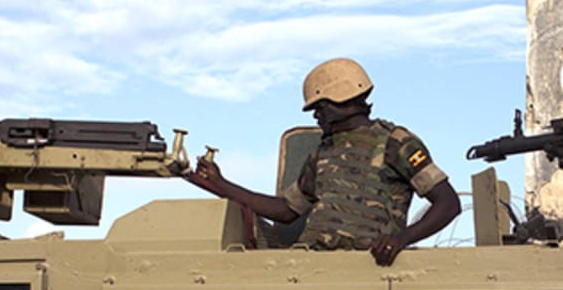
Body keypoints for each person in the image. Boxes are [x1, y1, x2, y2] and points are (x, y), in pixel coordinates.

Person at [189, 58, 460, 264]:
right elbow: (286, 210)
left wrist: (401, 239)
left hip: (364, 275)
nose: (316, 116)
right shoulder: (323, 152)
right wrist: (220, 184)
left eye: (319, 107)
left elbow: (448, 203)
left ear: (338, 100)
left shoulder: (396, 142)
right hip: (316, 273)